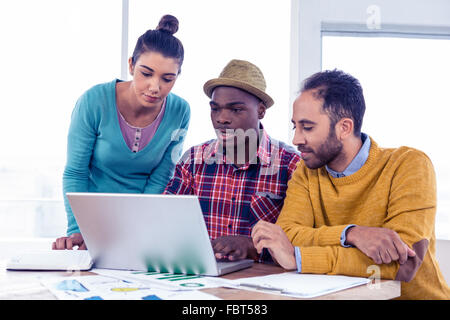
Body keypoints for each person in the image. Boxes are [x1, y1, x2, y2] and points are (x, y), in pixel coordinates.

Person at [251, 69, 450, 299]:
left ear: (344, 127)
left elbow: (401, 264)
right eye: (295, 126)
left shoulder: (409, 165)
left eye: (307, 127)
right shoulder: (306, 171)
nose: (296, 139)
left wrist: (299, 257)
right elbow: (287, 235)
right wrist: (351, 235)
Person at [53, 15, 190, 250]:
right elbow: (76, 172)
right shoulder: (94, 101)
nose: (155, 87)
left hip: (142, 222)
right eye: (146, 73)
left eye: (167, 79)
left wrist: (136, 229)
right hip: (91, 221)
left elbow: (161, 176)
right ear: (131, 65)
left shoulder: (180, 111)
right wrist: (79, 229)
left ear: (177, 76)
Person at [164, 59, 301, 262]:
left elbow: (301, 240)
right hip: (203, 277)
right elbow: (164, 221)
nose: (222, 119)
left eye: (235, 110)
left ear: (261, 111)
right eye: (215, 109)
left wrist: (250, 245)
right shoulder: (193, 160)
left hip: (263, 281)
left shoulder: (290, 165)